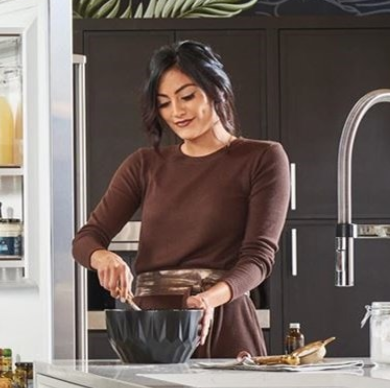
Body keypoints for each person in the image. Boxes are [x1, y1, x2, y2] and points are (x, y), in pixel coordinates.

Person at [73, 40, 291, 358]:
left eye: (187, 96)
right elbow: (86, 239)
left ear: (217, 91)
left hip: (220, 321)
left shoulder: (263, 157)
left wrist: (208, 300)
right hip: (150, 328)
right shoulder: (144, 163)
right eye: (163, 103)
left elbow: (258, 259)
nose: (176, 112)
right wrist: (104, 257)